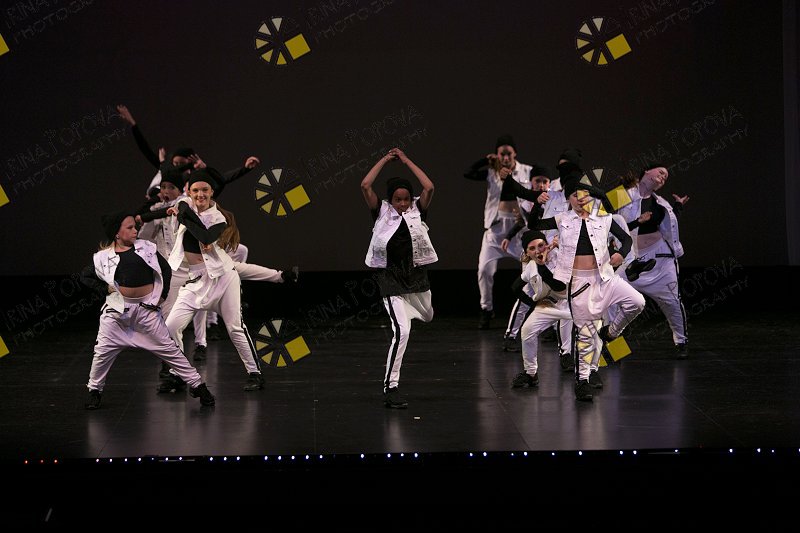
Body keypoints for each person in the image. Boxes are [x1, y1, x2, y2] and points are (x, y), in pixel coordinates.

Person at [81, 211, 215, 409]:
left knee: (170, 350)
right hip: (117, 315)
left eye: (135, 227)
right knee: (102, 353)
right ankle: (94, 390)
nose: (135, 231)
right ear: (117, 233)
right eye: (130, 228)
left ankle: (198, 386)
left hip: (146, 312)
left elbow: (165, 269)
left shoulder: (146, 248)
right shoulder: (103, 257)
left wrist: (163, 295)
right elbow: (85, 276)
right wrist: (105, 289)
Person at [532, 175, 645, 401]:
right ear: (569, 199)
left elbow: (626, 240)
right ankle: (582, 381)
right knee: (585, 334)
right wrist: (537, 204)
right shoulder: (562, 219)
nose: (580, 198)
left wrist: (620, 254)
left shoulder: (604, 218)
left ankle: (611, 332)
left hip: (605, 277)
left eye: (584, 194)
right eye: (575, 195)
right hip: (579, 282)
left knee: (637, 302)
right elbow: (534, 225)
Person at [162, 168, 266, 392]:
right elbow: (183, 209)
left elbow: (206, 236)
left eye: (205, 190)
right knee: (170, 327)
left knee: (235, 328)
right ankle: (178, 373)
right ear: (189, 192)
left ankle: (255, 373)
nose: (200, 195)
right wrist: (182, 212)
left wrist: (184, 217)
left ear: (211, 192)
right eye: (195, 190)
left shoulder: (218, 217)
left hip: (223, 278)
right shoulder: (184, 204)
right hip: (196, 280)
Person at [361, 147, 437, 409]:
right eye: (397, 199)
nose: (403, 204)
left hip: (416, 278)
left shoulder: (418, 210)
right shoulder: (381, 211)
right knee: (402, 331)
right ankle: (390, 387)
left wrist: (405, 160)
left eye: (405, 199)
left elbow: (429, 187)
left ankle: (409, 311)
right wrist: (384, 159)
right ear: (390, 200)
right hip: (390, 279)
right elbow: (365, 185)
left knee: (428, 315)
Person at [463, 135, 544, 330]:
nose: (506, 157)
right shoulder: (492, 172)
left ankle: (535, 308)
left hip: (520, 230)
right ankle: (486, 309)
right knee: (484, 270)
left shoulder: (527, 171)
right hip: (496, 230)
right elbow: (468, 173)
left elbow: (543, 184)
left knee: (531, 270)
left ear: (515, 153)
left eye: (509, 153)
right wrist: (486, 160)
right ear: (497, 155)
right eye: (502, 154)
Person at [611, 164, 690, 358]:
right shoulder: (622, 194)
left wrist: (678, 206)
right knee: (610, 299)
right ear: (646, 172)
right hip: (631, 259)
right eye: (661, 172)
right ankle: (613, 346)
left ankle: (681, 342)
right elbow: (600, 214)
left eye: (666, 177)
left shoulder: (661, 203)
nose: (663, 177)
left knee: (672, 302)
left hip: (660, 259)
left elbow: (668, 224)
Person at [510, 230, 574, 388]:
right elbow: (515, 287)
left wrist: (542, 266)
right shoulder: (531, 266)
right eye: (532, 248)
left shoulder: (560, 257)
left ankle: (582, 368)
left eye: (540, 245)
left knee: (587, 329)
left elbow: (559, 287)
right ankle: (531, 374)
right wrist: (533, 304)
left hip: (570, 303)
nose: (538, 250)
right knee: (527, 330)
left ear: (547, 245)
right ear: (527, 253)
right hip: (548, 305)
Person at [500, 165, 554, 352]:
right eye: (537, 181)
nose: (541, 184)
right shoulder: (526, 202)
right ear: (531, 182)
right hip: (533, 252)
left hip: (550, 252)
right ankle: (511, 335)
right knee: (528, 293)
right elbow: (523, 223)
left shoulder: (554, 200)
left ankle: (551, 328)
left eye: (545, 181)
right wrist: (508, 236)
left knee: (554, 292)